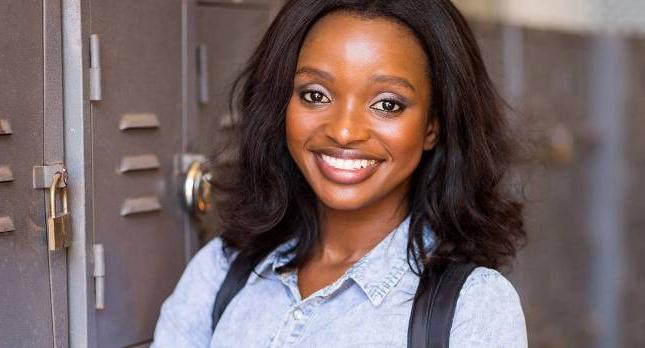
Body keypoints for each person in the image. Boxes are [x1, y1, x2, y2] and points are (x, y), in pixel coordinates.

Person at [153, 0, 527, 346]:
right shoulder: (221, 271)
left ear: (433, 125)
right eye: (315, 95)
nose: (344, 131)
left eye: (387, 104)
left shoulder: (472, 305)